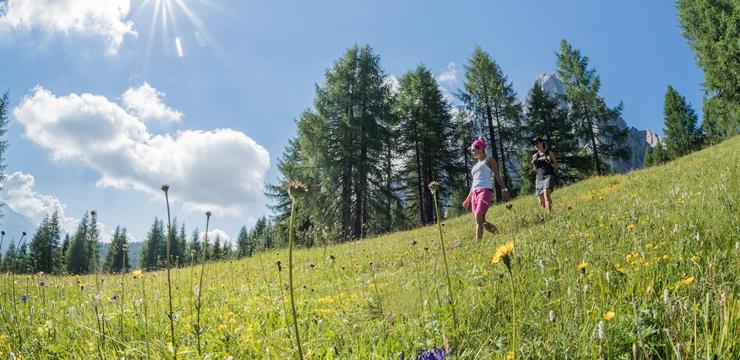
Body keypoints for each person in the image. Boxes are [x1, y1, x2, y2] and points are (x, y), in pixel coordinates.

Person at [463, 137, 510, 241]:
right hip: (475, 194)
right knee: (480, 221)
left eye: (474, 149)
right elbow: (473, 184)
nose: (473, 152)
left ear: (481, 148)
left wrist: (504, 190)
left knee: (479, 217)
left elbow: (497, 175)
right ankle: (499, 234)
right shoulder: (474, 167)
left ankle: (478, 244)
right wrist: (468, 199)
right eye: (471, 150)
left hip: (485, 191)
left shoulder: (489, 159)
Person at [530, 137, 558, 214]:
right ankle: (552, 212)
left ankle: (549, 215)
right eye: (534, 144)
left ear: (542, 143)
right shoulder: (535, 156)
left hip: (548, 175)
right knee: (541, 202)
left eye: (537, 143)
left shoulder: (549, 153)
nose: (535, 145)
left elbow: (556, 165)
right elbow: (535, 169)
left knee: (546, 195)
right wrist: (534, 162)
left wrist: (549, 162)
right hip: (539, 178)